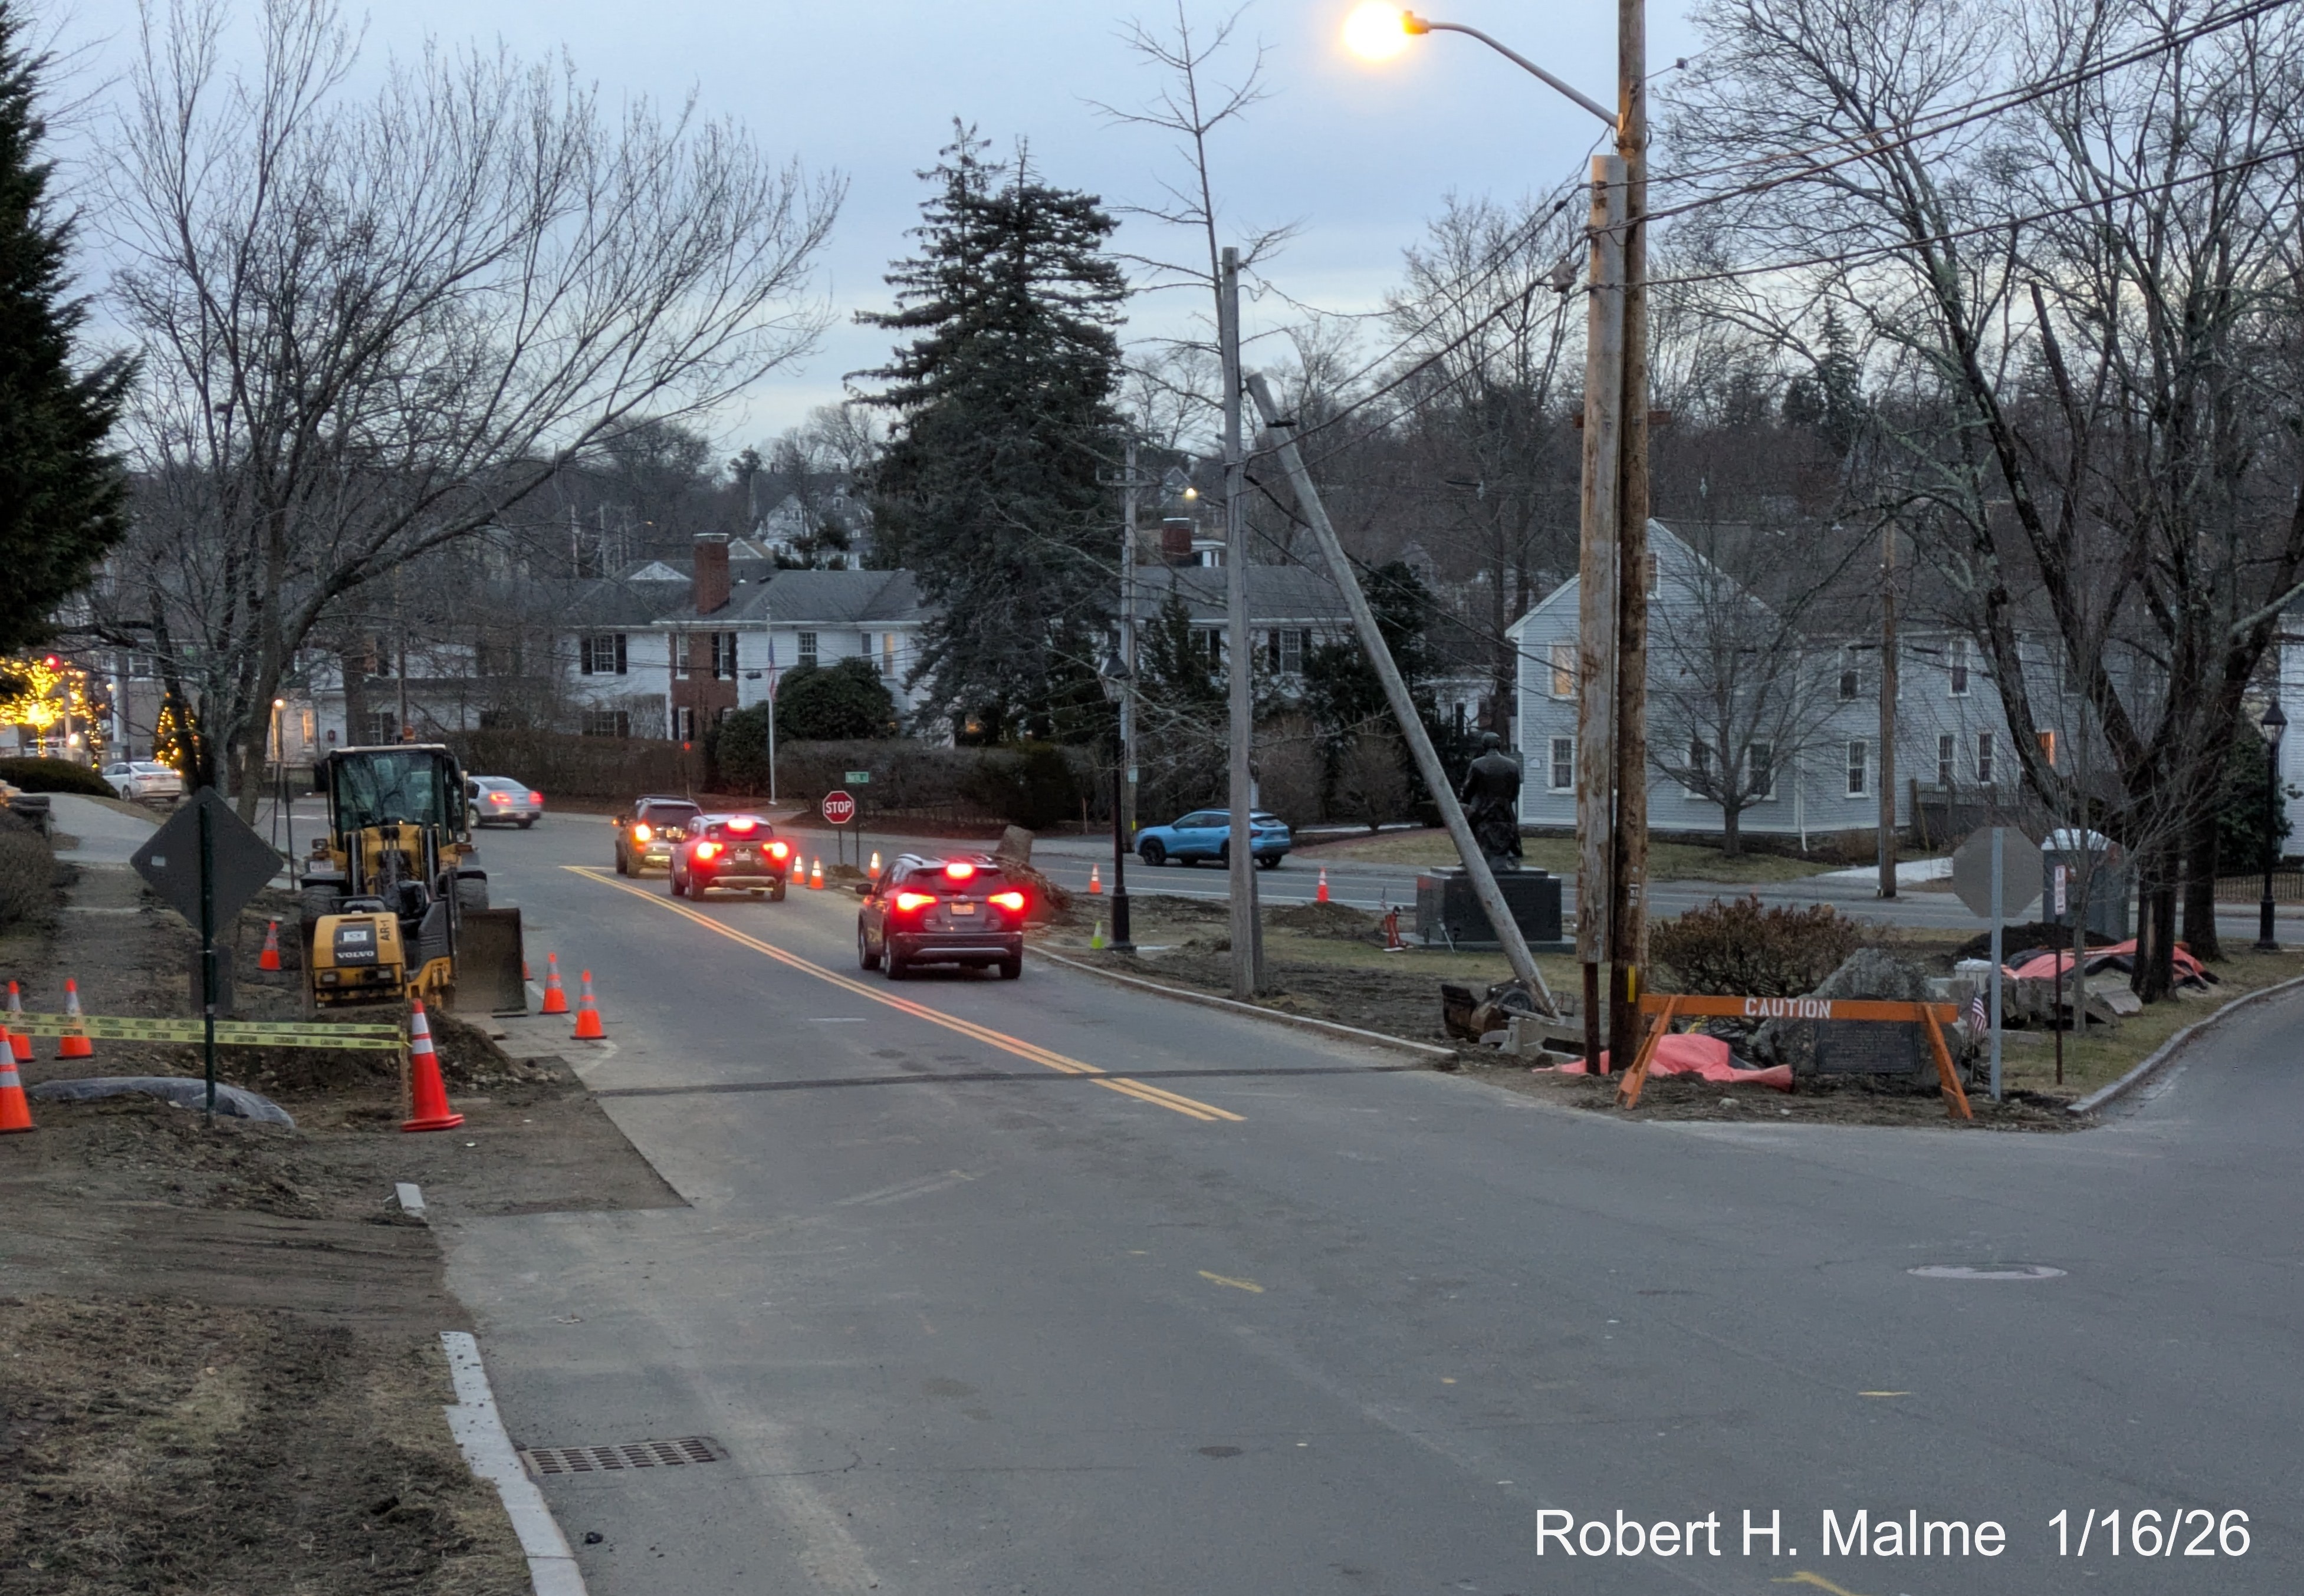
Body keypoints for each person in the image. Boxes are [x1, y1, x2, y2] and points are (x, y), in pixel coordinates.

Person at [1458, 731, 1523, 871]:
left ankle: (1468, 856)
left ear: (1484, 745)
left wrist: (1464, 800)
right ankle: (1513, 855)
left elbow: (1469, 787)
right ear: (1499, 745)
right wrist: (1506, 801)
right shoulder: (1512, 764)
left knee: (1468, 827)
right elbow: (1515, 790)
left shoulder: (1477, 764)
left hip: (1482, 808)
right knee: (1512, 827)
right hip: (1504, 807)